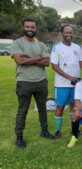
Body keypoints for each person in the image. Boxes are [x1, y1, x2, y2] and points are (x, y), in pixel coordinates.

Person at [10, 18, 54, 148]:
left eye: (32, 27)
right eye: (28, 27)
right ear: (22, 28)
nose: (30, 29)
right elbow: (20, 61)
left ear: (35, 29)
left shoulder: (41, 45)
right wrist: (37, 58)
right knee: (22, 110)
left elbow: (47, 62)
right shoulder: (17, 43)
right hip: (24, 82)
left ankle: (44, 131)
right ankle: (19, 137)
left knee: (42, 108)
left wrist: (27, 59)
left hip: (41, 82)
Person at [51, 25, 82, 139]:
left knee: (74, 107)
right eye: (66, 33)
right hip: (61, 84)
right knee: (60, 107)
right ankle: (57, 131)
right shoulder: (57, 47)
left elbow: (81, 63)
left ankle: (74, 129)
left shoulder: (77, 47)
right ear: (62, 33)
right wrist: (70, 77)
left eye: (70, 33)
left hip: (75, 84)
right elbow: (54, 66)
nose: (69, 35)